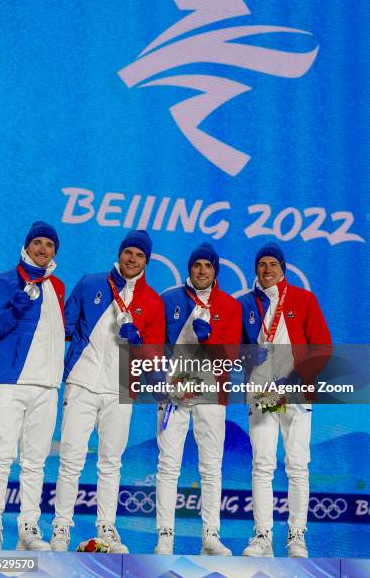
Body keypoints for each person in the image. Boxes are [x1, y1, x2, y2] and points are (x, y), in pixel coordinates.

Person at [50, 230, 165, 553]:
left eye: (139, 256)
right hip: (82, 382)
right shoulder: (91, 284)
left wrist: (139, 344)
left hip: (121, 387)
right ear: (120, 253)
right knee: (71, 457)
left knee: (111, 461)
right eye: (129, 252)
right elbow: (63, 327)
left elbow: (155, 355)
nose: (132, 259)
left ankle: (106, 526)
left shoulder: (152, 302)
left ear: (147, 261)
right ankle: (61, 526)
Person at [0, 221, 65, 551]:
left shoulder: (57, 287)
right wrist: (14, 310)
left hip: (46, 387)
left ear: (55, 251)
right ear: (26, 246)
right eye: (37, 243)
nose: (43, 249)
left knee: (36, 461)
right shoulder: (2, 282)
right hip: (10, 385)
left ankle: (28, 527)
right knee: (0, 457)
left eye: (49, 245)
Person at [239, 242, 332, 558]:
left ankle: (296, 536)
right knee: (262, 465)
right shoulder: (245, 305)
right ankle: (263, 536)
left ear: (283, 269)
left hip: (295, 391)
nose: (267, 270)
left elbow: (322, 348)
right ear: (256, 269)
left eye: (272, 265)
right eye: (262, 264)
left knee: (297, 465)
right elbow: (231, 352)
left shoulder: (303, 300)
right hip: (261, 393)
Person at [155, 243, 242, 555]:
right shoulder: (170, 300)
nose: (202, 270)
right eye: (197, 265)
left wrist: (211, 339)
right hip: (174, 391)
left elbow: (231, 356)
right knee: (168, 464)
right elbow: (157, 346)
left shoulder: (231, 307)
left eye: (207, 265)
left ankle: (210, 536)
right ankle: (165, 535)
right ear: (189, 269)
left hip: (211, 392)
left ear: (215, 271)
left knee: (211, 466)